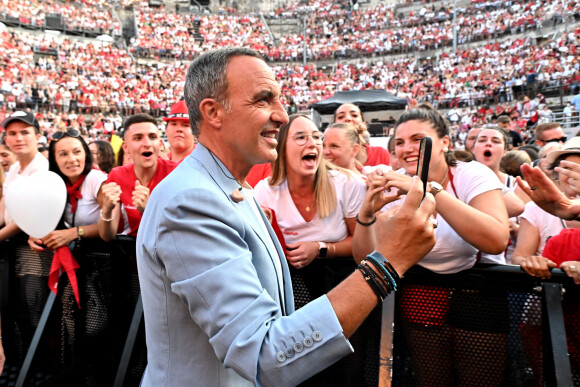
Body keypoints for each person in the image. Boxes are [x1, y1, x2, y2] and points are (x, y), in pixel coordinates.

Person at [135, 47, 436, 386]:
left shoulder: (230, 188)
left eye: (279, 100)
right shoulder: (192, 201)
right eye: (264, 100)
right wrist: (388, 262)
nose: (281, 115)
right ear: (213, 112)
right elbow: (264, 353)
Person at [353, 104, 510, 386]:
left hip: (479, 293)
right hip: (421, 294)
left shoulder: (470, 174)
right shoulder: (392, 182)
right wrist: (365, 217)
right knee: (432, 380)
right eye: (399, 142)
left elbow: (497, 239)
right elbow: (366, 259)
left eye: (418, 139)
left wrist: (425, 188)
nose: (407, 148)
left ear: (445, 143)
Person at [27, 129, 111, 384]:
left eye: (76, 151)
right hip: (77, 266)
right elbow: (47, 221)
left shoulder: (97, 179)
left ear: (85, 153)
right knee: (75, 326)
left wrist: (73, 233)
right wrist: (36, 234)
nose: (71, 159)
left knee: (101, 327)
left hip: (105, 266)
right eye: (62, 154)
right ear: (55, 159)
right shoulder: (55, 184)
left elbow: (112, 227)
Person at [98, 114, 178, 241]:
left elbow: (183, 230)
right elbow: (107, 236)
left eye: (152, 137)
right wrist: (107, 210)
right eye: (138, 138)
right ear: (126, 147)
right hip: (131, 254)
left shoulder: (176, 173)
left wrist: (149, 211)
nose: (147, 143)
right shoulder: (117, 175)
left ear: (160, 144)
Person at [0, 111, 49, 241]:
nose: (19, 138)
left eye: (25, 132)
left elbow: (27, 217)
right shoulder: (15, 168)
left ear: (37, 137)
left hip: (30, 244)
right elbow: (4, 204)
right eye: (12, 133)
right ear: (6, 140)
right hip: (12, 241)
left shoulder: (41, 167)